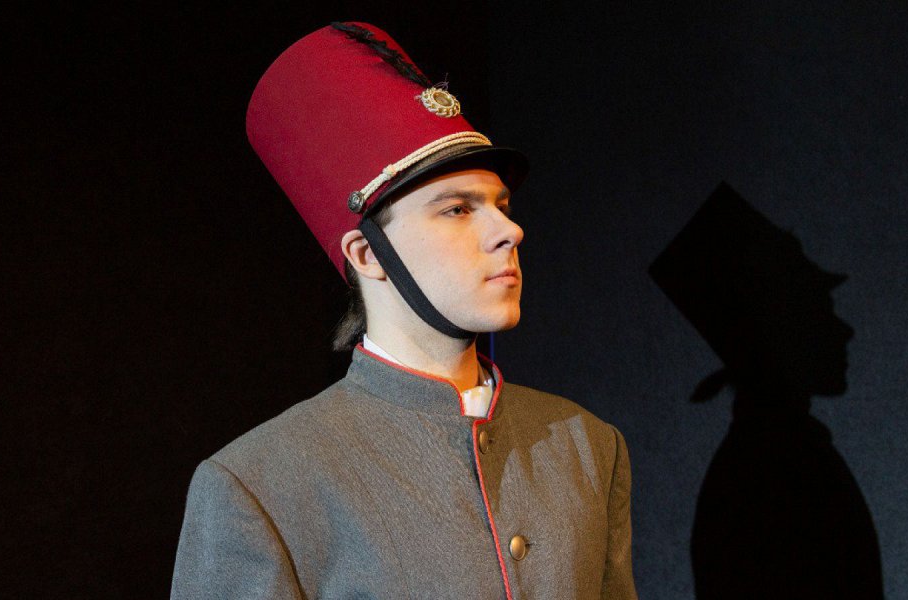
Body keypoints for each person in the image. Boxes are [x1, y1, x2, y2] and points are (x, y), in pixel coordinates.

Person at [171, 22, 637, 599]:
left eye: (502, 205)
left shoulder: (586, 445)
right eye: (457, 209)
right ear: (368, 255)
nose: (509, 230)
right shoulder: (262, 485)